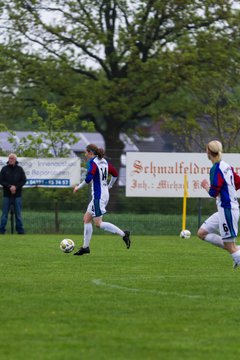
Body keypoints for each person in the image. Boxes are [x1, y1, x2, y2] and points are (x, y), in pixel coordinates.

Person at [73, 144, 131, 255]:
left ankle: (124, 234)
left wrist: (78, 187)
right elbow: (115, 174)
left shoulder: (93, 162)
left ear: (90, 153)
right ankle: (85, 247)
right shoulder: (104, 161)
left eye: (86, 152)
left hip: (98, 196)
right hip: (103, 194)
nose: (85, 155)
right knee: (86, 219)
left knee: (98, 224)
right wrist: (110, 185)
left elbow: (88, 179)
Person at [197, 140, 240, 268]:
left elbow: (213, 192)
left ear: (209, 152)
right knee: (201, 233)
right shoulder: (226, 166)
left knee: (230, 246)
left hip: (227, 209)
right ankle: (237, 252)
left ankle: (237, 256)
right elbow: (238, 182)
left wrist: (205, 186)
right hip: (225, 209)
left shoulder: (216, 168)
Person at [0, 153, 27, 234]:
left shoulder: (20, 169)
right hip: (6, 195)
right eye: (9, 158)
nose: (10, 160)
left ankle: (20, 231)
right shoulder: (4, 169)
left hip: (17, 195)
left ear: (15, 160)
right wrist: (9, 186)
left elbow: (24, 180)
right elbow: (1, 180)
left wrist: (16, 187)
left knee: (18, 214)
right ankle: (1, 230)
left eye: (12, 158)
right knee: (4, 214)